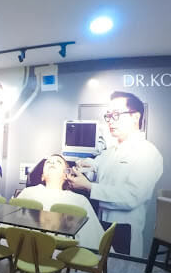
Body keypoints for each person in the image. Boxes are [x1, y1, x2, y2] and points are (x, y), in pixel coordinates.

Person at [67, 91, 163, 257]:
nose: (110, 121)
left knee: (120, 269)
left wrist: (90, 187)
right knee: (99, 266)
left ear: (135, 117)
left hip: (124, 229)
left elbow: (132, 197)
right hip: (101, 223)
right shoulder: (110, 152)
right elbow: (96, 168)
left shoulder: (147, 153)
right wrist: (83, 168)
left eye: (116, 115)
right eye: (108, 116)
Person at [16, 154, 105, 249]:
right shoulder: (28, 192)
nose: (52, 163)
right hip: (28, 247)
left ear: (66, 175)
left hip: (62, 250)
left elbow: (92, 239)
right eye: (48, 162)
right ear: (42, 176)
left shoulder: (79, 200)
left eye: (58, 162)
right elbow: (11, 227)